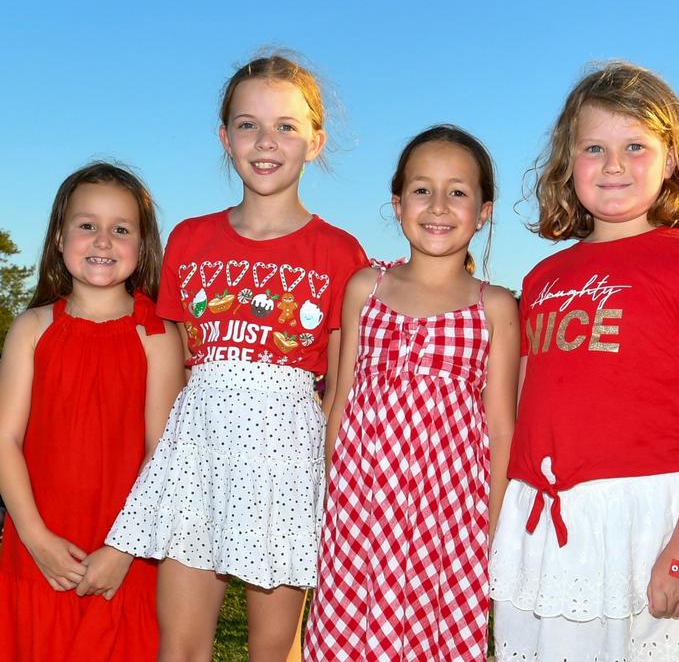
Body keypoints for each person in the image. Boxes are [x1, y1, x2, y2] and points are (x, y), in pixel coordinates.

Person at [106, 55, 368, 661]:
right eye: (248, 125)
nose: (266, 142)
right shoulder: (190, 238)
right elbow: (172, 369)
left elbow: (341, 385)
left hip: (287, 459)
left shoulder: (339, 251)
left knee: (272, 650)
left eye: (286, 126)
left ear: (315, 141)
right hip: (196, 453)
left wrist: (328, 478)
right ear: (225, 138)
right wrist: (158, 462)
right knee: (182, 646)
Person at [490, 62, 679, 661]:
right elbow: (525, 412)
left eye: (635, 146)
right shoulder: (543, 276)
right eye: (594, 148)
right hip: (545, 525)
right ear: (567, 163)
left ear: (672, 159)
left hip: (652, 522)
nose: (613, 165)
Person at [304, 125, 518, 662]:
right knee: (349, 638)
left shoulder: (494, 306)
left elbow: (499, 428)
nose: (438, 205)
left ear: (484, 210)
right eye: (422, 189)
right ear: (397, 203)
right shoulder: (364, 288)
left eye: (458, 191)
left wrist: (489, 528)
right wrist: (333, 498)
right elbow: (342, 400)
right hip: (360, 513)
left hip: (448, 523)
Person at [0, 162, 183, 661]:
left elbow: (162, 451)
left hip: (124, 554)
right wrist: (35, 538)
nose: (103, 240)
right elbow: (5, 441)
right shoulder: (32, 329)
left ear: (143, 246)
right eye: (87, 225)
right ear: (60, 237)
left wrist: (123, 549)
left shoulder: (158, 335)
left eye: (120, 229)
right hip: (39, 550)